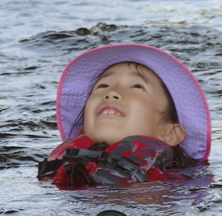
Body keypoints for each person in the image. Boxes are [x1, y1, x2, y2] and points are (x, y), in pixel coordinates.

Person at [38, 44, 211, 188]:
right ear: (83, 127)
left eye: (137, 86)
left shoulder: (174, 183)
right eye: (102, 85)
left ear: (169, 133)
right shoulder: (59, 166)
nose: (112, 92)